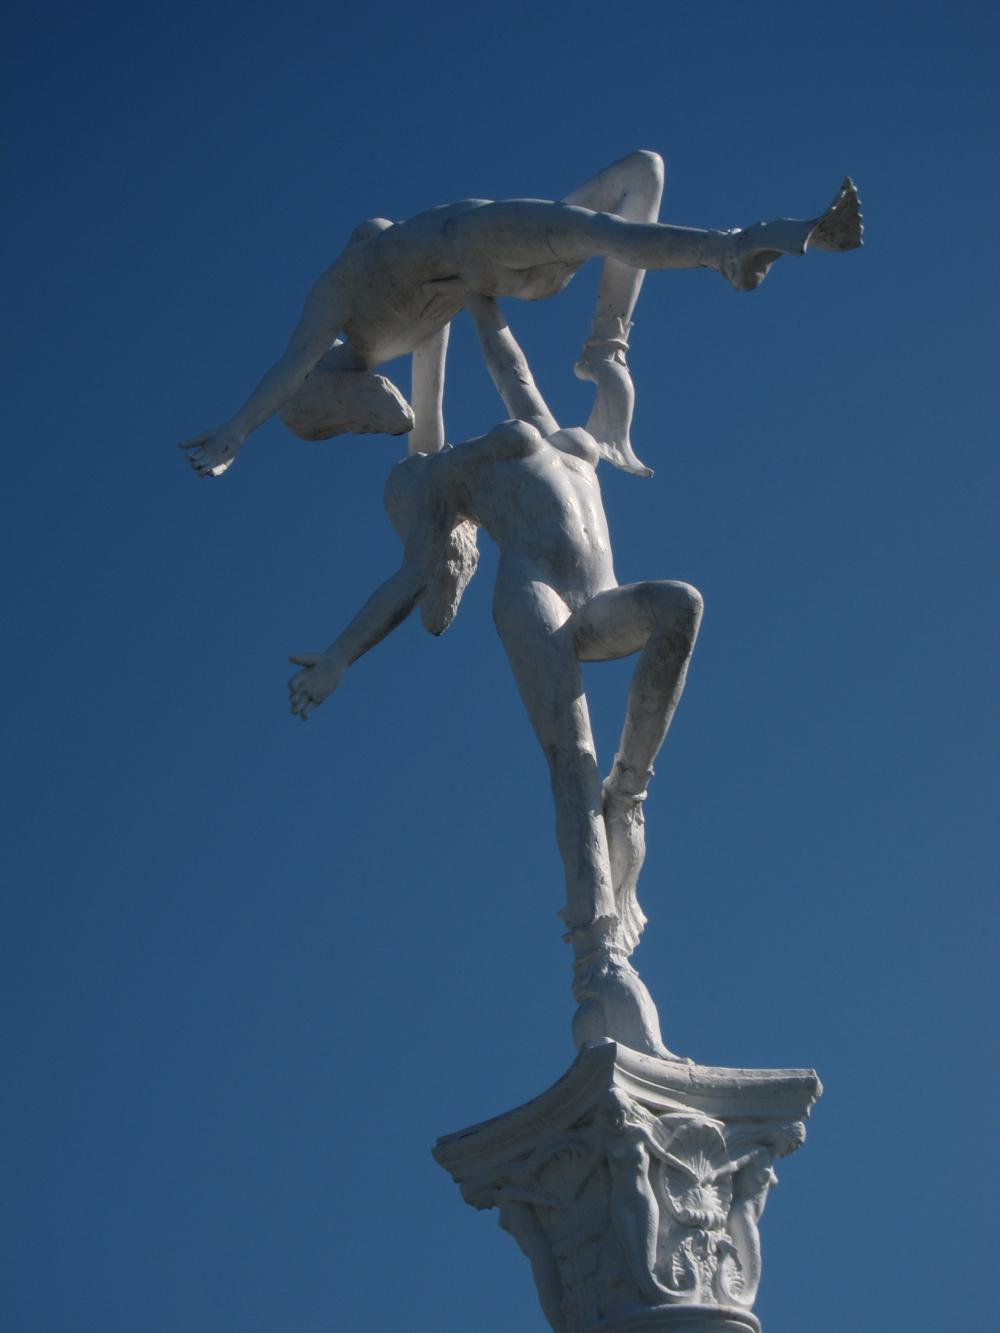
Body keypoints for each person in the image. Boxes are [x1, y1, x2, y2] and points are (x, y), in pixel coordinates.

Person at [285, 294, 706, 1056]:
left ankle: (632, 790)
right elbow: (410, 578)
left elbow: (504, 358)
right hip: (534, 593)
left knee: (680, 605)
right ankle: (600, 950)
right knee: (571, 764)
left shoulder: (546, 428)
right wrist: (341, 655)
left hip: (600, 596)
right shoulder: (443, 481)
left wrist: (475, 289)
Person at [179, 155, 861, 479]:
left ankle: (605, 349)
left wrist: (237, 432)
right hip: (480, 244)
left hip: (499, 261)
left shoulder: (373, 308)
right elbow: (422, 426)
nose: (366, 410)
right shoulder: (356, 300)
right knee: (608, 229)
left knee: (641, 176)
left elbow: (310, 375)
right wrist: (235, 434)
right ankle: (737, 250)